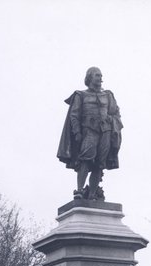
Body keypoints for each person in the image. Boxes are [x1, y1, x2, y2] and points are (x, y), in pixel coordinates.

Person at [57, 66, 123, 200]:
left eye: (101, 76)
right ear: (89, 77)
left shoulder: (108, 95)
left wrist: (111, 120)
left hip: (105, 131)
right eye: (97, 75)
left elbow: (116, 114)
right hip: (88, 131)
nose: (101, 78)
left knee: (100, 163)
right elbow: (74, 115)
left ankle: (92, 194)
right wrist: (76, 132)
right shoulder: (81, 95)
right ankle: (80, 190)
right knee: (85, 159)